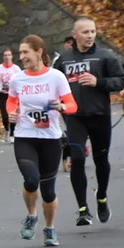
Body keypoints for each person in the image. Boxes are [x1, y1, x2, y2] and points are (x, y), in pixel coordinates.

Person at [7, 35, 77, 247]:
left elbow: (72, 105)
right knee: (31, 180)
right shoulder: (18, 79)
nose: (22, 57)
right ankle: (31, 216)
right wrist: (11, 112)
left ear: (39, 52)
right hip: (25, 136)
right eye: (20, 53)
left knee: (48, 192)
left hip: (50, 138)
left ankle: (49, 228)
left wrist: (61, 107)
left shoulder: (56, 77)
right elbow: (11, 101)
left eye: (25, 52)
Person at [56, 17, 124, 226]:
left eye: (93, 32)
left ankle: (102, 197)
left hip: (99, 116)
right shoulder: (64, 60)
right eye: (85, 32)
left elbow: (121, 80)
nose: (90, 36)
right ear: (74, 34)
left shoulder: (105, 56)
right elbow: (54, 84)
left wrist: (99, 82)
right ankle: (82, 209)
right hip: (75, 117)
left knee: (101, 160)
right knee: (77, 159)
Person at [0, 49, 22, 143]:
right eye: (5, 55)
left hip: (13, 95)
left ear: (12, 56)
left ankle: (12, 134)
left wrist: (19, 90)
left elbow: (21, 80)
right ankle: (7, 130)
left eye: (9, 55)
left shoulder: (16, 68)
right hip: (2, 94)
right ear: (3, 57)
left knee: (12, 114)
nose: (7, 57)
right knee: (5, 116)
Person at [58, 36, 77, 174]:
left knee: (75, 131)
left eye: (72, 44)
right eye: (68, 44)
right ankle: (73, 155)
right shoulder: (60, 60)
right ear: (65, 45)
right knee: (71, 129)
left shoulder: (81, 58)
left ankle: (78, 149)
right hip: (66, 102)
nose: (70, 46)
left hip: (81, 100)